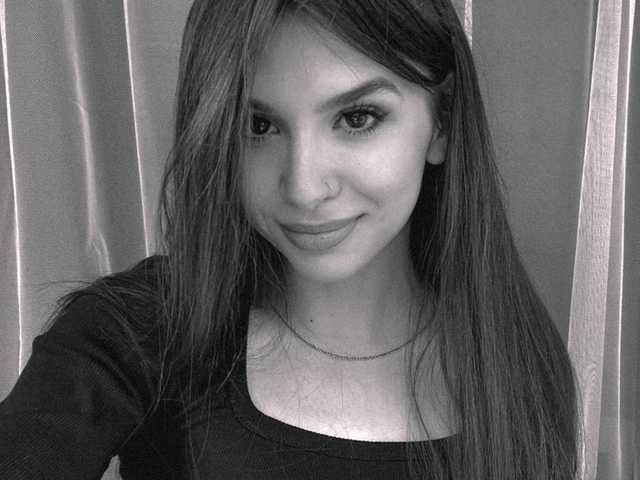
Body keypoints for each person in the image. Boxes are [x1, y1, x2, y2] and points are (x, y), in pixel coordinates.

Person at [0, 0, 581, 479]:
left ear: (442, 123)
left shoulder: (514, 366)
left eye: (356, 118)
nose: (303, 187)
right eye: (258, 126)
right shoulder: (138, 334)